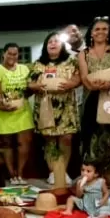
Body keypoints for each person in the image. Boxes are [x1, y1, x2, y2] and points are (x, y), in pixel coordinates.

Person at [78, 17, 110, 187]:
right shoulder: (83, 53)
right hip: (91, 96)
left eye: (104, 29)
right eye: (97, 29)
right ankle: (92, 174)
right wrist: (93, 86)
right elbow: (84, 77)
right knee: (92, 136)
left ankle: (108, 174)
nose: (100, 32)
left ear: (109, 32)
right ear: (91, 33)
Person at [28, 32, 81, 189]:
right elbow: (29, 83)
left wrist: (71, 83)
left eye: (56, 41)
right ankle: (53, 172)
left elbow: (79, 77)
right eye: (50, 41)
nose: (53, 44)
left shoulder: (71, 61)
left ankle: (62, 171)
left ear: (62, 45)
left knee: (66, 139)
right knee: (49, 140)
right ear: (46, 46)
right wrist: (36, 86)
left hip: (66, 106)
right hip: (46, 106)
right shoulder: (38, 64)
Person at [0, 42, 33, 185]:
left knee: (24, 142)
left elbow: (30, 88)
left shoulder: (24, 69)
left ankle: (20, 173)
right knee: (7, 144)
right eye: (9, 53)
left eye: (15, 54)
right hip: (2, 111)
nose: (12, 56)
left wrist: (23, 97)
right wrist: (2, 105)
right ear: (4, 54)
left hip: (22, 111)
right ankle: (12, 174)